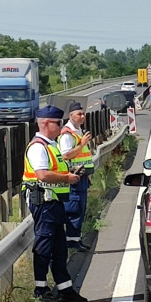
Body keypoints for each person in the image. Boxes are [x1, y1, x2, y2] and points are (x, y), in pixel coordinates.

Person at [23, 105, 88, 302]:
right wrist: (67, 179)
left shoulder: (50, 145)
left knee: (59, 247)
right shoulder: (38, 147)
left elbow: (54, 168)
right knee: (44, 244)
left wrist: (71, 171)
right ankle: (41, 289)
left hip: (55, 202)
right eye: (57, 123)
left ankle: (65, 289)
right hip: (44, 202)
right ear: (45, 123)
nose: (61, 126)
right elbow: (42, 174)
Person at [58, 102, 94, 252]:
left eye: (83, 113)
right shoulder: (67, 134)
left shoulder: (78, 131)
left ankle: (75, 241)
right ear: (71, 116)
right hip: (73, 179)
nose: (82, 116)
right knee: (74, 210)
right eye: (79, 114)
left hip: (82, 178)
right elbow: (66, 155)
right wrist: (82, 144)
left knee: (80, 210)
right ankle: (71, 243)